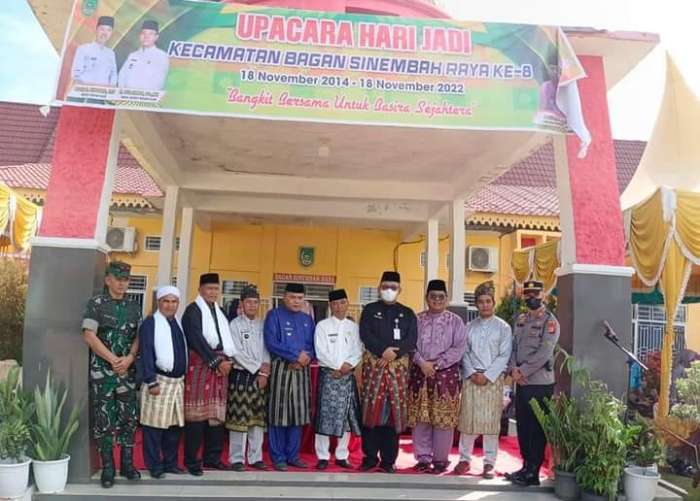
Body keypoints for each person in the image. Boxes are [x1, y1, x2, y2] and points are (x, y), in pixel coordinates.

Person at [81, 261, 141, 488]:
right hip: (103, 373)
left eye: (126, 279)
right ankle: (108, 468)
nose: (122, 283)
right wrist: (113, 359)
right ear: (108, 280)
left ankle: (127, 464)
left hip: (127, 372)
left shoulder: (134, 307)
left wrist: (130, 357)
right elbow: (89, 335)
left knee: (129, 419)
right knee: (104, 420)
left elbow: (139, 336)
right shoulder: (96, 304)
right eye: (118, 279)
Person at [359, 271, 417, 473]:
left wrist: (396, 353)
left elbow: (411, 339)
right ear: (379, 288)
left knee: (392, 415)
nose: (389, 290)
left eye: (393, 287)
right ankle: (369, 458)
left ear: (400, 289)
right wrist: (382, 351)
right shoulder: (369, 310)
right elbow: (365, 334)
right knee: (371, 412)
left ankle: (388, 460)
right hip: (374, 369)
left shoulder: (407, 313)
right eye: (385, 287)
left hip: (397, 371)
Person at [409, 279, 467, 474]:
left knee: (443, 418)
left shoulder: (455, 321)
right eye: (433, 296)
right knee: (421, 417)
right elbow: (409, 345)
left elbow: (459, 347)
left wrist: (437, 364)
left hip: (446, 375)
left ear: (447, 299)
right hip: (420, 373)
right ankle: (423, 458)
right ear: (427, 298)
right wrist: (422, 363)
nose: (437, 300)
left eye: (441, 297)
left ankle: (441, 460)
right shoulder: (416, 320)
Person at [456, 281, 512, 479]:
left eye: (488, 301)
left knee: (491, 423)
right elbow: (464, 352)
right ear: (476, 304)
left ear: (493, 303)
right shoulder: (468, 327)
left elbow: (504, 355)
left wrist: (487, 375)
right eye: (481, 301)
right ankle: (464, 459)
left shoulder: (503, 327)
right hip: (471, 379)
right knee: (468, 420)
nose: (485, 305)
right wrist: (472, 373)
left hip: (492, 380)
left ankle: (489, 463)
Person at [506, 280, 559, 486]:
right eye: (527, 295)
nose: (531, 299)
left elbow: (544, 353)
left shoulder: (550, 322)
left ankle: (533, 471)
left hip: (539, 382)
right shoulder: (521, 319)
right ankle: (525, 466)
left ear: (543, 296)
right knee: (523, 426)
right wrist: (513, 369)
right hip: (521, 381)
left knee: (536, 428)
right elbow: (513, 347)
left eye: (534, 295)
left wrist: (523, 371)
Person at [182, 273, 235, 475]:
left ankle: (212, 458)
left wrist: (227, 361)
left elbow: (227, 339)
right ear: (200, 290)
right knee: (197, 415)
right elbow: (196, 339)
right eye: (209, 289)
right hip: (201, 365)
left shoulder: (220, 311)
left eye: (216, 289)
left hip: (221, 368)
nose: (213, 293)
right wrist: (216, 362)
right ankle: (191, 460)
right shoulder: (193, 311)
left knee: (217, 414)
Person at [263, 283, 315, 471]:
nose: (296, 301)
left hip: (302, 371)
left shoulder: (307, 319)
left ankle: (293, 456)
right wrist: (294, 356)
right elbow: (271, 342)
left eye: (300, 298)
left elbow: (313, 344)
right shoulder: (274, 315)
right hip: (281, 369)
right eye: (292, 297)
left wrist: (305, 358)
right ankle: (278, 457)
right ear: (284, 297)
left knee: (298, 415)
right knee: (279, 414)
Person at [138, 285, 188, 479]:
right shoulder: (151, 323)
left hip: (177, 384)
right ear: (159, 302)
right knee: (154, 428)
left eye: (174, 301)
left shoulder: (177, 323)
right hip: (158, 382)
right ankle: (154, 466)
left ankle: (170, 463)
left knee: (174, 427)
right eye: (166, 301)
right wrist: (151, 381)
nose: (170, 305)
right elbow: (146, 352)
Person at [314, 289, 363, 470]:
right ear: (330, 305)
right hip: (329, 374)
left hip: (347, 375)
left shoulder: (354, 328)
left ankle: (342, 455)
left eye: (342, 302)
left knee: (346, 417)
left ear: (347, 303)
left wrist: (347, 366)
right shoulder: (322, 326)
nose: (339, 306)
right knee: (324, 416)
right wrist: (336, 368)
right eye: (335, 303)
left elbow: (358, 350)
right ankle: (322, 456)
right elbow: (320, 351)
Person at [226, 285, 270, 472]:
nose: (252, 305)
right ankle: (236, 458)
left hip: (260, 377)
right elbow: (235, 352)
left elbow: (267, 350)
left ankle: (255, 457)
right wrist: (256, 367)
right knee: (239, 420)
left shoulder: (262, 325)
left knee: (257, 420)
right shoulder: (234, 325)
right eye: (249, 302)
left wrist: (264, 372)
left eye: (255, 302)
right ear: (242, 304)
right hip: (241, 376)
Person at [118, 20, 170, 90]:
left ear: (156, 37)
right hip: (126, 95)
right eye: (143, 33)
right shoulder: (133, 55)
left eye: (150, 34)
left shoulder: (161, 56)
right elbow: (122, 76)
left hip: (146, 95)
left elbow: (159, 82)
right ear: (140, 36)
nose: (146, 36)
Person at [70, 15, 117, 86]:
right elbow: (75, 75)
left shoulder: (111, 53)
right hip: (85, 91)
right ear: (96, 30)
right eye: (102, 29)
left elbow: (113, 75)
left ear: (111, 33)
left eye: (109, 30)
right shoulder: (83, 49)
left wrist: (110, 89)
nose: (105, 33)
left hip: (103, 92)